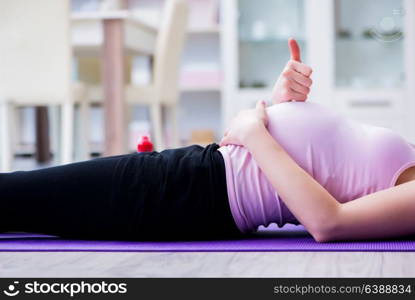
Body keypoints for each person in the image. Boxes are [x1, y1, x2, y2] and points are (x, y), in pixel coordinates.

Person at [1, 39, 415, 242]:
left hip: (196, 193)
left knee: (14, 197)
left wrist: (255, 133)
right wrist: (284, 102)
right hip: (203, 176)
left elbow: (329, 223)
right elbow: (324, 168)